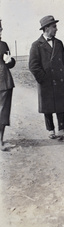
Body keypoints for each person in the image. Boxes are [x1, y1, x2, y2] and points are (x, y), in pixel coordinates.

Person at [29, 15, 64, 140]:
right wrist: (42, 78)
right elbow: (33, 65)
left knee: (61, 106)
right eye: (54, 27)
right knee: (48, 107)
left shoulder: (59, 43)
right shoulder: (36, 45)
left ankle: (62, 130)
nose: (56, 29)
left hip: (60, 79)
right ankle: (51, 130)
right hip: (46, 82)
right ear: (46, 28)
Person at [0, 20, 16, 151]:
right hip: (3, 82)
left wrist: (10, 61)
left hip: (4, 81)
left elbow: (10, 63)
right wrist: (9, 61)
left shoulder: (3, 44)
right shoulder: (2, 45)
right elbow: (9, 63)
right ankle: (0, 141)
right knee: (3, 111)